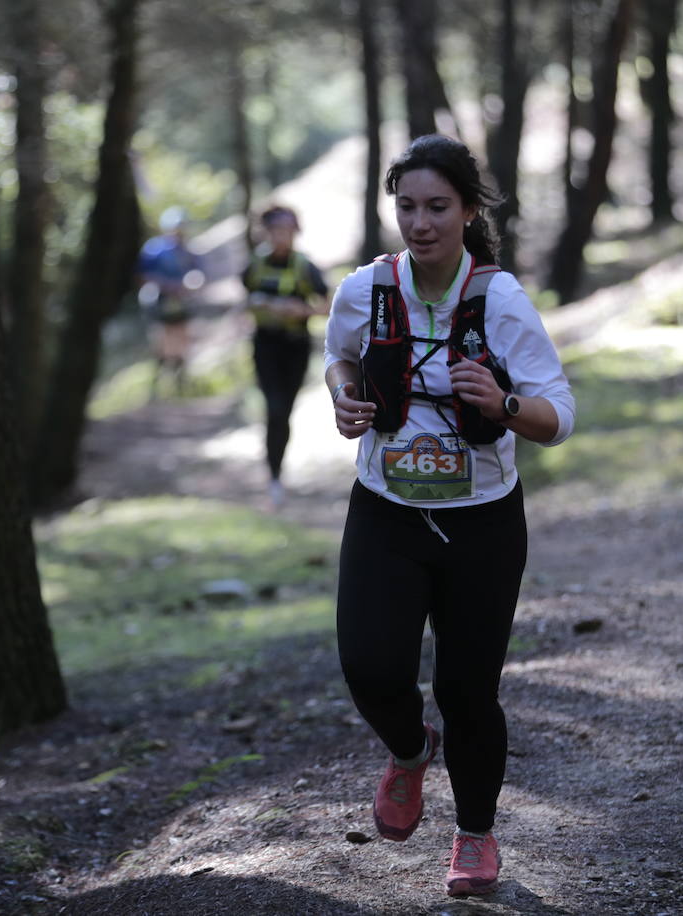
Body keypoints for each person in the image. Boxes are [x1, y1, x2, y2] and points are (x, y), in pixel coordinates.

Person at [323, 134, 575, 897]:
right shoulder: (366, 289)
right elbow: (339, 355)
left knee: (469, 692)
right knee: (370, 667)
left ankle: (474, 836)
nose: (420, 222)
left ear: (468, 211)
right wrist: (342, 393)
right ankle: (408, 753)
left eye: (437, 207)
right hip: (387, 510)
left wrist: (500, 403)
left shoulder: (498, 299)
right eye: (407, 207)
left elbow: (557, 414)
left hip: (482, 523)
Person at [241, 204, 328, 509]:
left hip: (296, 345)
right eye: (278, 230)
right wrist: (261, 305)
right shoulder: (255, 263)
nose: (284, 236)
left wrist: (299, 310)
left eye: (289, 230)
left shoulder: (305, 266)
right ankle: (274, 475)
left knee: (285, 410)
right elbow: (242, 300)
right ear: (267, 231)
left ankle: (278, 471)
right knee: (274, 408)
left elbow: (328, 305)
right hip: (265, 345)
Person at [136, 206, 201, 397]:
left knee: (182, 338)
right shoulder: (154, 249)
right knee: (161, 341)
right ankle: (157, 384)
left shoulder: (188, 250)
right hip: (159, 302)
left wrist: (191, 283)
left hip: (182, 302)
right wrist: (168, 285)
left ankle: (181, 382)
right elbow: (143, 275)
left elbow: (198, 273)